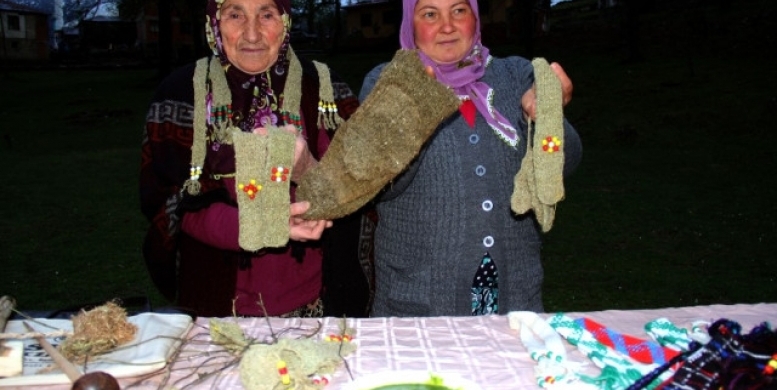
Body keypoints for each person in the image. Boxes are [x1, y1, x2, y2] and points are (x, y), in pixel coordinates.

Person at [140, 0, 372, 318]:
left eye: (266, 14)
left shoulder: (322, 88)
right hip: (215, 308)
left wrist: (307, 170)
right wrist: (263, 225)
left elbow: (362, 189)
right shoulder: (182, 93)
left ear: (286, 21)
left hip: (316, 305)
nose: (252, 34)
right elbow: (177, 204)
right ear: (214, 22)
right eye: (235, 14)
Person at [359, 0, 582, 317]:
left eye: (459, 10)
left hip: (514, 302)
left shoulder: (517, 75)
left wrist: (547, 117)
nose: (447, 26)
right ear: (411, 23)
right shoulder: (387, 83)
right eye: (430, 14)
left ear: (475, 18)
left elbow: (564, 164)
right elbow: (378, 186)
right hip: (419, 306)